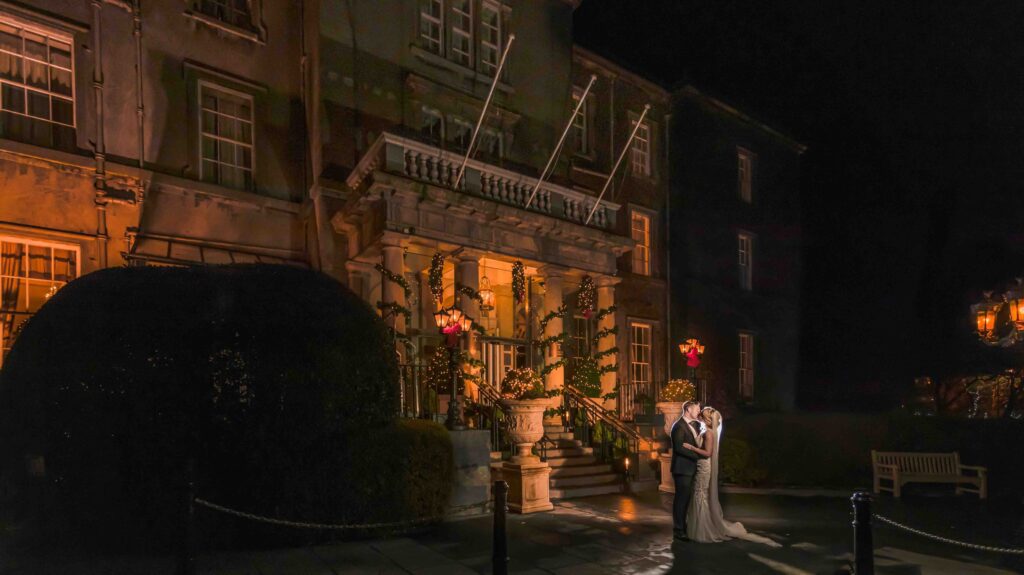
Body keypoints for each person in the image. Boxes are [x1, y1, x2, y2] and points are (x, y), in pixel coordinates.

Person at [681, 407, 780, 546]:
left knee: (700, 494)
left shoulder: (709, 434)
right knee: (699, 494)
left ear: (706, 419)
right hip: (701, 465)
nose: (698, 415)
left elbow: (708, 453)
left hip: (704, 466)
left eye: (701, 415)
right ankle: (699, 528)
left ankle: (703, 530)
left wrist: (691, 448)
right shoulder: (706, 431)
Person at [670, 400, 706, 542]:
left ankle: (684, 527)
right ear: (688, 409)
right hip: (682, 468)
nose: (699, 411)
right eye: (697, 409)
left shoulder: (695, 425)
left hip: (690, 468)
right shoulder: (678, 426)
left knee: (686, 499)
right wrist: (699, 456)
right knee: (681, 499)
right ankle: (679, 530)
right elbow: (679, 448)